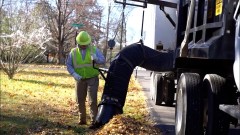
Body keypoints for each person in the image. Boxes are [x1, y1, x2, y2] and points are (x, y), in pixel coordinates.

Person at [66, 31, 105, 128]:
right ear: (78, 43)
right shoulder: (73, 52)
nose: (84, 46)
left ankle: (94, 121)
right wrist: (74, 74)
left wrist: (96, 59)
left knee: (92, 100)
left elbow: (103, 60)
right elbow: (69, 65)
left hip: (92, 78)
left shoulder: (94, 50)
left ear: (88, 42)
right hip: (79, 79)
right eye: (82, 44)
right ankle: (82, 120)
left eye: (85, 44)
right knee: (80, 100)